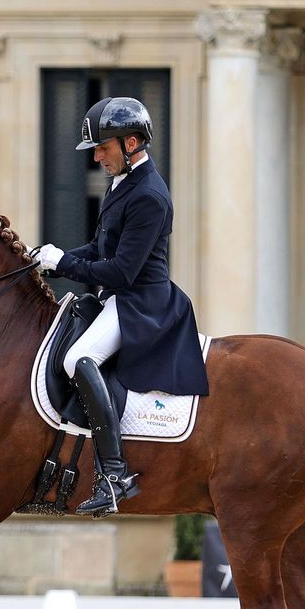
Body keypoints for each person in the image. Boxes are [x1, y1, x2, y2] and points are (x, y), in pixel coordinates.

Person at [36, 96, 209, 515]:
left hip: (141, 302)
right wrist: (45, 259)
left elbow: (121, 271)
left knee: (78, 358)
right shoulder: (123, 184)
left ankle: (113, 475)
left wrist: (63, 263)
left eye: (102, 147)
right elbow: (99, 248)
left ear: (131, 143)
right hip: (120, 296)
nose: (96, 156)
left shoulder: (149, 195)